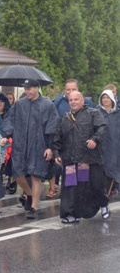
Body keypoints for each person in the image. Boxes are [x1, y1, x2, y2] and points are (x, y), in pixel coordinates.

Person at [1, 79, 59, 219]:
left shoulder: (47, 105)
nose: (27, 92)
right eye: (25, 89)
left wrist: (50, 147)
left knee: (35, 174)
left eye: (29, 89)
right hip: (21, 145)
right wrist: (7, 134)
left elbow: (53, 126)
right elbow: (9, 119)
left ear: (36, 88)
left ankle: (34, 206)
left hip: (39, 145)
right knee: (18, 173)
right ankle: (30, 193)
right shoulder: (20, 104)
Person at [53, 91, 108, 223]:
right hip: (70, 160)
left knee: (94, 185)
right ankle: (70, 214)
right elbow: (57, 138)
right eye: (71, 100)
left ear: (82, 101)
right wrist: (56, 153)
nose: (73, 102)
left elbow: (102, 127)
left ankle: (103, 203)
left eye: (76, 99)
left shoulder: (93, 113)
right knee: (71, 188)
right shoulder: (64, 118)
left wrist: (95, 139)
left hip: (89, 159)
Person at [97, 90, 120, 197]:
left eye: (107, 97)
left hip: (115, 144)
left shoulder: (117, 113)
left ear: (112, 99)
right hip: (101, 145)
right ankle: (104, 192)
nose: (105, 100)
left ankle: (113, 188)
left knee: (114, 166)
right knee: (102, 168)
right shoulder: (97, 112)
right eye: (103, 97)